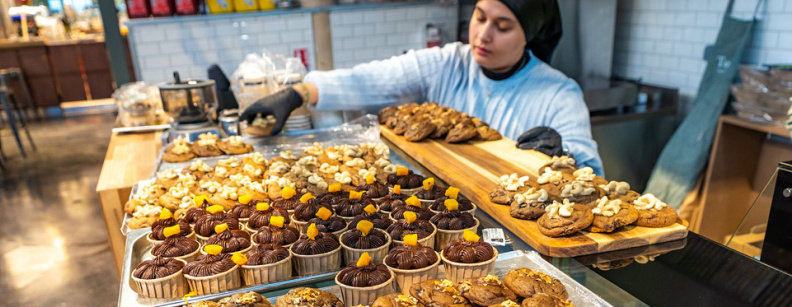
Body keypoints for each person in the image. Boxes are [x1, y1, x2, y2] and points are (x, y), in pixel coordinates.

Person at [241, 0, 603, 174]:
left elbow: (592, 171)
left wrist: (564, 155)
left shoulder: (559, 93)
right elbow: (372, 79)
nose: (483, 35)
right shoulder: (449, 62)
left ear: (530, 33)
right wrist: (298, 93)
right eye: (479, 18)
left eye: (503, 26)